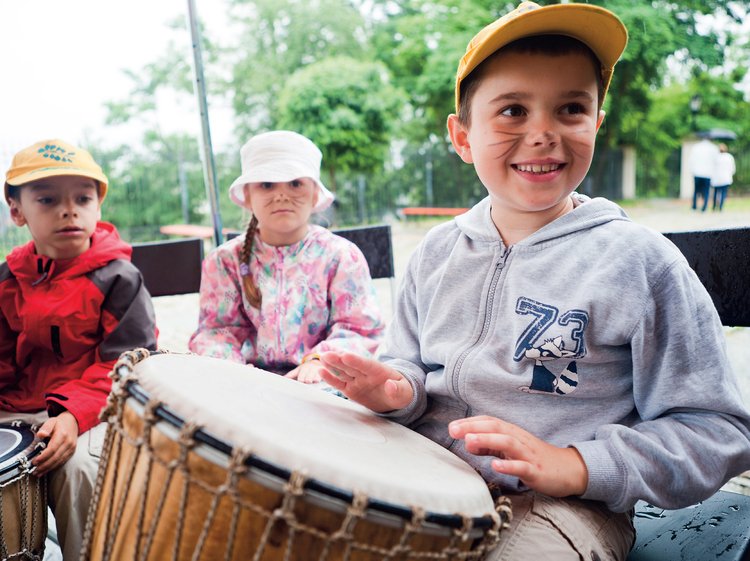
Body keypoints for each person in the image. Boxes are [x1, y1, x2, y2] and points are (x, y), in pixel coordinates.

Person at [318, 3, 750, 559]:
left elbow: (716, 431)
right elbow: (412, 365)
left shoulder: (640, 262)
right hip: (422, 472)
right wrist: (395, 391)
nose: (543, 133)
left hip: (562, 508)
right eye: (513, 111)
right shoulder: (436, 254)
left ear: (596, 122)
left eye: (570, 108)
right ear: (462, 135)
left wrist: (575, 465)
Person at [1, 139, 157, 560]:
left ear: (98, 206)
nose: (68, 210)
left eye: (83, 198)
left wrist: (71, 416)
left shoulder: (119, 278)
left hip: (95, 411)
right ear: (17, 210)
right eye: (47, 199)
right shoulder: (8, 280)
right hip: (19, 408)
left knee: (81, 470)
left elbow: (127, 365)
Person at [189, 130, 384, 383]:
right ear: (248, 196)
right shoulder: (225, 261)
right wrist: (235, 372)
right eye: (266, 184)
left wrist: (321, 361)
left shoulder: (341, 256)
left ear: (315, 193)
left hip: (324, 383)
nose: (281, 195)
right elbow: (215, 332)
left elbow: (361, 328)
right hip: (246, 384)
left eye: (295, 183)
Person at [690, 135, 719, 212]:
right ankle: (704, 207)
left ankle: (694, 207)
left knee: (696, 190)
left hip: (697, 172)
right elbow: (716, 161)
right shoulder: (713, 148)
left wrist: (692, 171)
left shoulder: (696, 147)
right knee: (706, 191)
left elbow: (691, 160)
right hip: (707, 173)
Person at [712, 143, 736, 211]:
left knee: (716, 192)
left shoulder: (716, 157)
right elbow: (733, 168)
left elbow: (712, 168)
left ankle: (714, 206)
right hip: (726, 178)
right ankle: (721, 207)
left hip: (716, 178)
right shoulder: (729, 157)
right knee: (723, 193)